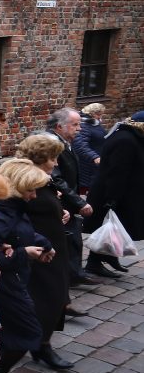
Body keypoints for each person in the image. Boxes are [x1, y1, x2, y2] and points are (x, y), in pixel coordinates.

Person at [0, 160, 54, 373]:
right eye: (30, 190)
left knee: (9, 334)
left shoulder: (14, 208)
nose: (34, 196)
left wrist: (43, 242)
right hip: (5, 285)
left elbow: (20, 234)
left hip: (16, 279)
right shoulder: (1, 214)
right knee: (28, 332)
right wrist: (22, 254)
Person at [17, 134, 74, 369]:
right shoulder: (27, 181)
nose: (57, 162)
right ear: (41, 157)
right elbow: (20, 214)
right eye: (53, 158)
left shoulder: (43, 178)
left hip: (55, 245)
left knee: (57, 296)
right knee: (47, 297)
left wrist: (60, 211)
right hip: (39, 250)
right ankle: (39, 344)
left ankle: (42, 343)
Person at [85, 110, 144, 277]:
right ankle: (94, 263)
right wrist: (113, 198)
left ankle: (110, 257)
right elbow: (117, 171)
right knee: (109, 228)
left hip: (121, 193)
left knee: (117, 229)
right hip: (114, 194)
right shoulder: (126, 141)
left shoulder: (128, 137)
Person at [47, 108, 97, 286]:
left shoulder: (65, 141)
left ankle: (75, 272)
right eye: (75, 125)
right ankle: (67, 277)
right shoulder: (51, 144)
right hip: (60, 200)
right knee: (65, 240)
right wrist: (77, 201)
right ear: (60, 127)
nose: (79, 129)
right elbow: (56, 177)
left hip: (68, 199)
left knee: (74, 238)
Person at [75, 103, 106, 194]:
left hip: (95, 162)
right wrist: (94, 157)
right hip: (88, 164)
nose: (101, 116)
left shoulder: (95, 124)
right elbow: (80, 145)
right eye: (100, 114)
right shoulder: (84, 126)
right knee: (87, 189)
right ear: (93, 114)